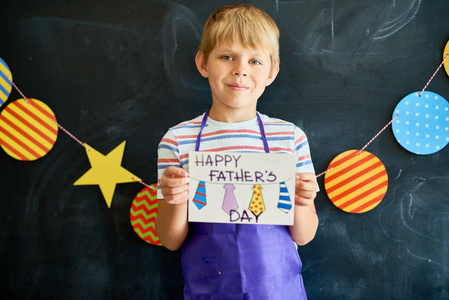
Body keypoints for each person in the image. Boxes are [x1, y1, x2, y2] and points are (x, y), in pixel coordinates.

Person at [155, 4, 318, 299]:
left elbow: (304, 236)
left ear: (272, 72)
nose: (240, 69)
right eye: (227, 56)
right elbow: (170, 240)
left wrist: (303, 201)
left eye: (255, 61)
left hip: (278, 291)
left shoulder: (289, 138)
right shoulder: (178, 140)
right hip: (209, 290)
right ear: (204, 63)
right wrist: (175, 199)